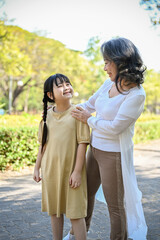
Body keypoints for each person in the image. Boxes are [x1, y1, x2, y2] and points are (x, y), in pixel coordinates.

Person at [65, 37, 148, 240]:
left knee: (115, 206)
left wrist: (89, 120)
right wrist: (64, 110)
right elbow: (90, 104)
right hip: (95, 148)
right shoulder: (108, 83)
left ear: (120, 61)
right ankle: (78, 233)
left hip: (114, 155)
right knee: (85, 194)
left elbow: (115, 128)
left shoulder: (137, 95)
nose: (104, 68)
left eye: (106, 62)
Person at [33, 73, 90, 240]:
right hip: (51, 172)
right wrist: (37, 167)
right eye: (60, 85)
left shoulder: (78, 113)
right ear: (50, 95)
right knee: (55, 212)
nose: (66, 87)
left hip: (72, 172)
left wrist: (78, 171)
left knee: (76, 214)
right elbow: (42, 145)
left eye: (67, 83)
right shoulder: (47, 116)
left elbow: (83, 143)